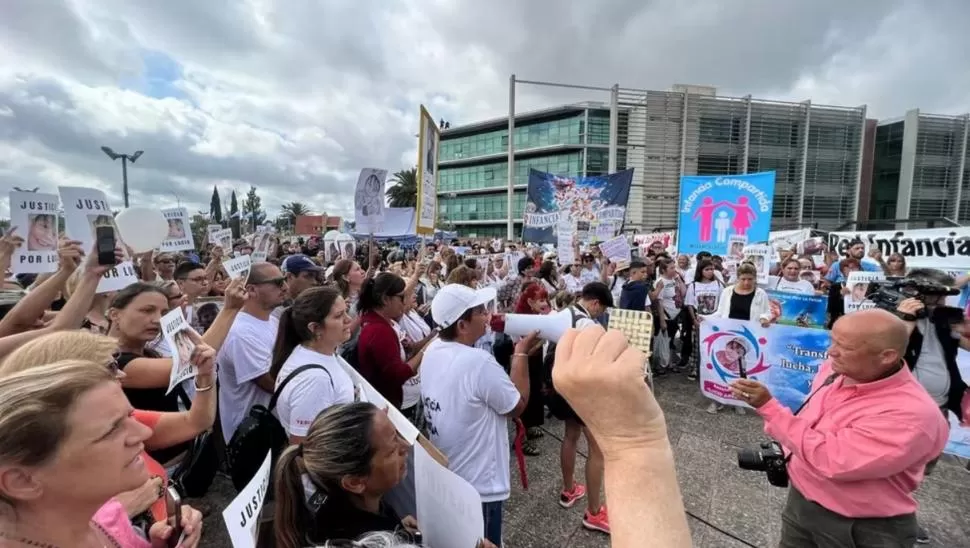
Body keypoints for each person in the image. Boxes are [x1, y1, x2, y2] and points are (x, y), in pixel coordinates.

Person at [730, 309, 949, 548]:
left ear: (887, 356)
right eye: (833, 341)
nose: (831, 351)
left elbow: (833, 459)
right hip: (803, 503)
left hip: (859, 528)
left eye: (845, 346)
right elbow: (812, 418)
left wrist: (769, 407)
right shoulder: (837, 368)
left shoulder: (911, 414)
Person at [0, 360, 203, 547]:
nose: (144, 433)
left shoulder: (107, 516)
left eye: (129, 416)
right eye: (112, 430)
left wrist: (161, 542)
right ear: (22, 481)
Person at [421, 283, 537, 546]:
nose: (487, 315)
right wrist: (521, 353)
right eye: (480, 311)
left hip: (451, 477)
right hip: (479, 486)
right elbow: (516, 406)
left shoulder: (432, 350)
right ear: (462, 325)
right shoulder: (477, 362)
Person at [273, 402, 432, 547]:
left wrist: (399, 529)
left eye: (397, 435)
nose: (405, 447)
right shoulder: (353, 539)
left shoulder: (337, 509)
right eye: (391, 451)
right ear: (354, 482)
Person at [897, 269, 968, 544]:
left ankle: (898, 510)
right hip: (906, 407)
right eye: (939, 295)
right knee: (899, 464)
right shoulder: (898, 313)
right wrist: (907, 318)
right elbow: (892, 348)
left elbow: (966, 342)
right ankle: (897, 517)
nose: (943, 301)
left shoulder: (946, 318)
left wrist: (958, 327)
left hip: (939, 406)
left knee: (923, 465)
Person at [270, 286, 356, 444]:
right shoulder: (314, 380)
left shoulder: (316, 354)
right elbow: (305, 447)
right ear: (315, 328)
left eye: (346, 310)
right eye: (338, 316)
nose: (348, 319)